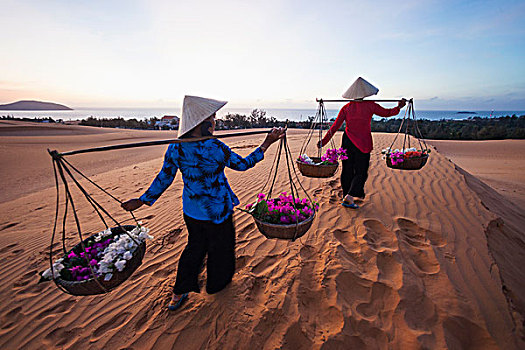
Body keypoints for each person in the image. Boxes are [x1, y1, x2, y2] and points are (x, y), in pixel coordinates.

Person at [121, 95, 285, 310]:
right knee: (221, 248)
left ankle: (178, 293)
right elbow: (243, 165)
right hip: (218, 211)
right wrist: (267, 143)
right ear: (202, 123)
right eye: (213, 118)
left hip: (193, 211)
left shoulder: (176, 148)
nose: (215, 123)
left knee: (194, 248)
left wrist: (142, 200)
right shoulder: (214, 147)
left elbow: (164, 178)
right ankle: (217, 285)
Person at [318, 77, 406, 209]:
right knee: (361, 171)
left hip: (347, 142)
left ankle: (346, 195)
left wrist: (324, 142)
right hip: (363, 143)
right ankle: (349, 196)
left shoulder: (346, 108)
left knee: (347, 169)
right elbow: (387, 113)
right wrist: (399, 107)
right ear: (365, 93)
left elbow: (335, 126)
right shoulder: (370, 105)